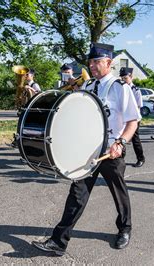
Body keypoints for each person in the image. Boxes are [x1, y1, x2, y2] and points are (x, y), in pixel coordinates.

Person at [32, 43, 141, 255]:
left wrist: (121, 143)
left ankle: (125, 229)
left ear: (109, 63)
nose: (91, 65)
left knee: (118, 192)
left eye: (96, 61)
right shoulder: (88, 87)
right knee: (77, 194)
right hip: (88, 152)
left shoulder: (121, 87)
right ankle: (58, 241)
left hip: (111, 151)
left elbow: (133, 121)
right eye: (90, 62)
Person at [120, 67, 145, 167]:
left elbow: (138, 106)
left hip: (133, 119)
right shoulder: (120, 88)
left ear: (131, 77)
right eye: (122, 78)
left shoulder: (136, 90)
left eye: (125, 78)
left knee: (135, 139)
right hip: (122, 118)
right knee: (121, 138)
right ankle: (120, 159)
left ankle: (141, 158)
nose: (123, 80)